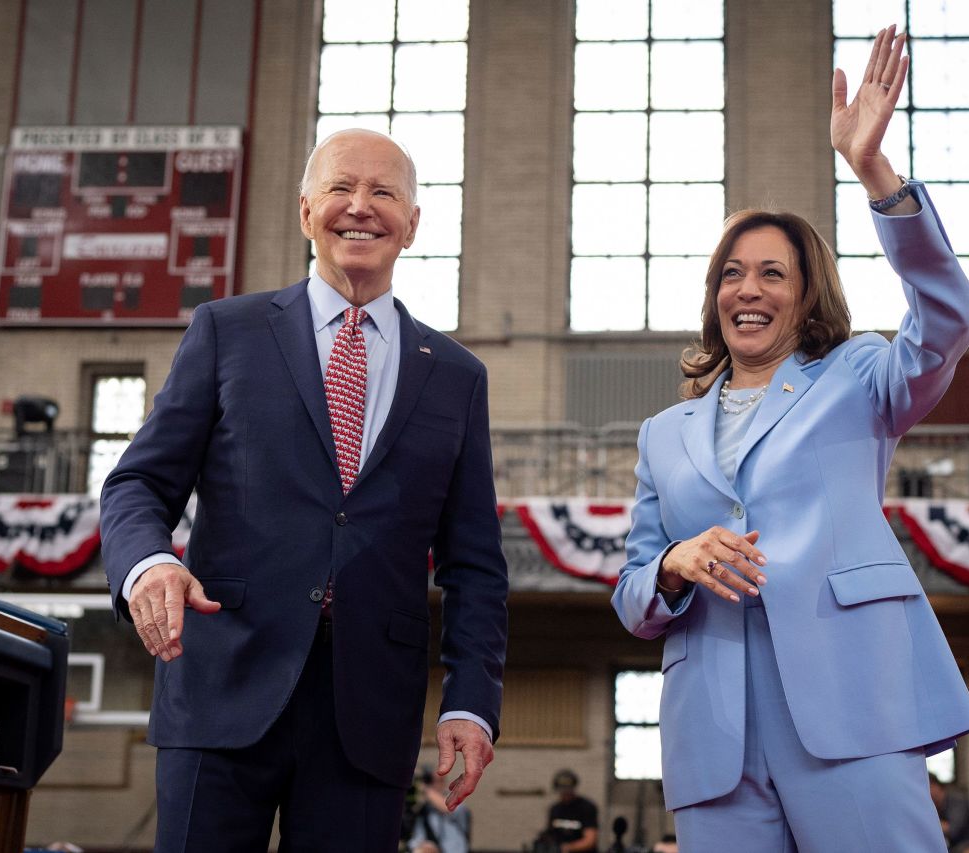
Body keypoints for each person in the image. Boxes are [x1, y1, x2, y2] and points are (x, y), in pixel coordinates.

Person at [611, 25, 969, 852]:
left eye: (772, 272)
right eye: (732, 274)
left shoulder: (858, 377)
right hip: (715, 739)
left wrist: (874, 171)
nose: (748, 288)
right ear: (714, 297)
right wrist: (674, 564)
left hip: (853, 709)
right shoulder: (663, 434)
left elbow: (949, 319)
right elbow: (633, 593)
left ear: (806, 295)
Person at [100, 128, 509, 852]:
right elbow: (138, 482)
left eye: (384, 192)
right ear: (305, 211)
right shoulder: (227, 330)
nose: (361, 207)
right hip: (221, 688)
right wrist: (149, 562)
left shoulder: (457, 376)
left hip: (368, 716)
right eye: (340, 188)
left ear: (412, 224)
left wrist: (473, 702)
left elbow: (475, 564)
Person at [408, 765, 472, 853]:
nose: (432, 785)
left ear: (443, 781)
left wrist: (423, 787)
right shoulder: (425, 808)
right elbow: (416, 839)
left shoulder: (455, 798)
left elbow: (448, 808)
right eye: (429, 781)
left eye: (435, 781)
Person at [541, 769, 599, 853]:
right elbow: (550, 835)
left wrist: (568, 848)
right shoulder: (555, 809)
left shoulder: (586, 807)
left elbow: (590, 840)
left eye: (567, 790)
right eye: (562, 790)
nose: (565, 793)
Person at [929, 774, 969, 853]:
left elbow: (953, 829)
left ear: (935, 785)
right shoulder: (932, 805)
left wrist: (928, 824)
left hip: (965, 845)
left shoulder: (957, 800)